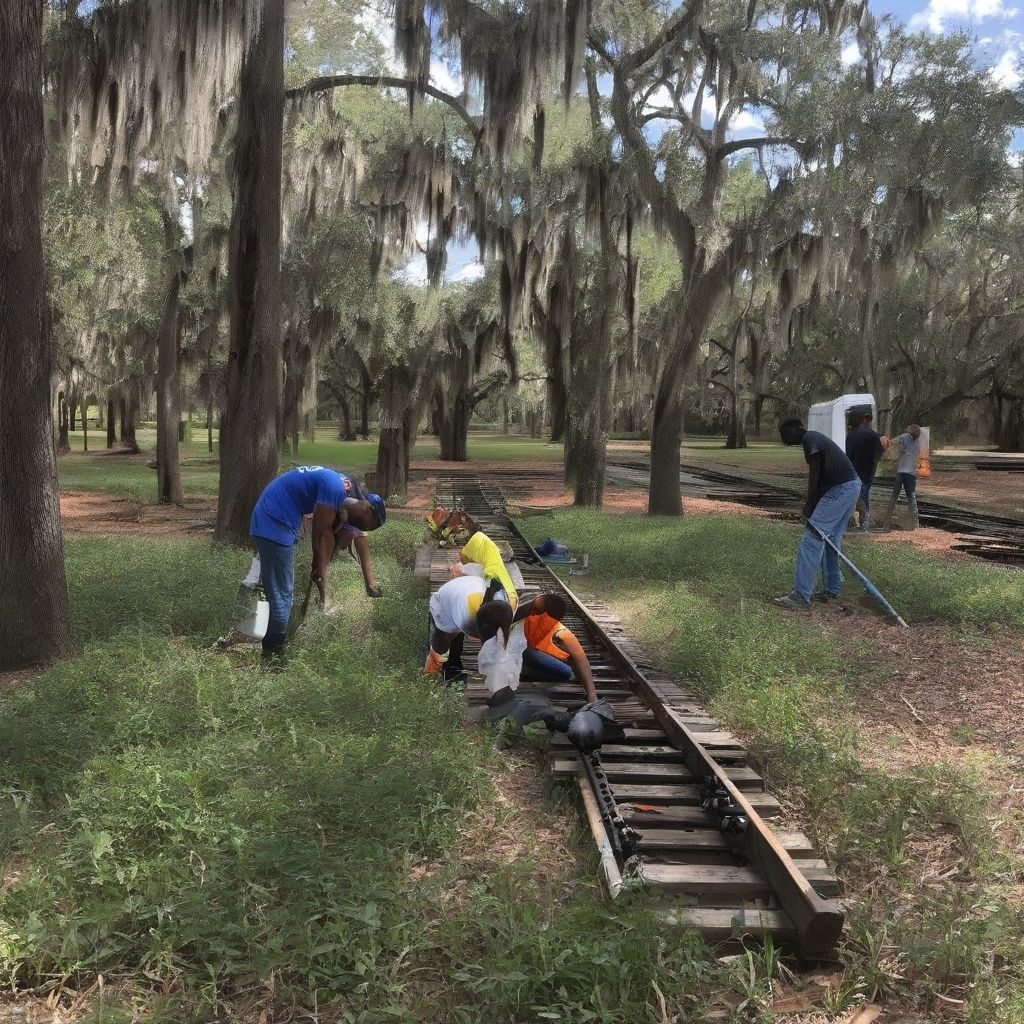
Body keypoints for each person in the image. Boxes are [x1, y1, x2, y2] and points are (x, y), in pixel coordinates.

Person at [250, 466, 386, 658]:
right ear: (368, 511)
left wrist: (320, 569)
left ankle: (272, 643)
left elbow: (327, 534)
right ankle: (273, 655)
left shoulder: (343, 491)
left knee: (278, 592)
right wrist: (319, 568)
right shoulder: (336, 489)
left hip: (274, 517)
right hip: (274, 521)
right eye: (367, 526)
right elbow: (321, 532)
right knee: (282, 597)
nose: (362, 528)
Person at [774, 418, 862, 610]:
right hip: (849, 487)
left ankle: (800, 596)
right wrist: (813, 505)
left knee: (812, 538)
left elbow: (815, 473)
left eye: (785, 433)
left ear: (796, 430)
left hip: (842, 489)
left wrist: (809, 504)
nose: (783, 439)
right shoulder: (814, 439)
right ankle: (832, 589)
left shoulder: (810, 438)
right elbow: (823, 475)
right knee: (830, 539)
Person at [424, 574, 514, 681]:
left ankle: (454, 667)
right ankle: (432, 677)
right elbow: (453, 637)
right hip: (442, 606)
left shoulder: (506, 605)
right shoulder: (465, 616)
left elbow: (502, 636)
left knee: (455, 652)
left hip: (464, 591)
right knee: (441, 646)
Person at [513, 594, 599, 704]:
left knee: (529, 652)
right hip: (527, 663)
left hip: (553, 668)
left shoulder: (562, 633)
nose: (532, 612)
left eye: (537, 611)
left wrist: (592, 696)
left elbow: (581, 660)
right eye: (533, 608)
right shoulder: (525, 620)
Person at [845, 410, 888, 531]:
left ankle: (850, 520)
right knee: (864, 495)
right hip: (868, 470)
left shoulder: (851, 436)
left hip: (854, 470)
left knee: (852, 496)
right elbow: (880, 452)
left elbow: (848, 454)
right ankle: (865, 521)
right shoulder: (874, 435)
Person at [882, 425, 922, 530]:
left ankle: (887, 521)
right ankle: (914, 523)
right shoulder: (915, 440)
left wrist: (891, 455)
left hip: (903, 472)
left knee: (896, 496)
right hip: (909, 473)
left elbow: (892, 445)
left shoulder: (905, 438)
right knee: (910, 497)